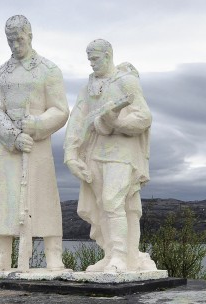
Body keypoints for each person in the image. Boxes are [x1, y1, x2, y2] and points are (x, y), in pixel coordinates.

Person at [0, 15, 69, 272]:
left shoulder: (48, 70)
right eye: (10, 40)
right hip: (7, 146)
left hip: (38, 146)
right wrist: (14, 136)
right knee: (6, 199)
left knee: (45, 197)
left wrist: (38, 125)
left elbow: (60, 109)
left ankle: (54, 254)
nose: (15, 45)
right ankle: (2, 255)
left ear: (30, 36)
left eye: (19, 39)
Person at [63, 39, 157, 272]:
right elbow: (77, 121)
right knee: (100, 206)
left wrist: (117, 123)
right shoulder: (88, 87)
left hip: (121, 152)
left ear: (108, 55)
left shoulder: (126, 82)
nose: (92, 64)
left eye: (96, 58)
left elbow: (144, 116)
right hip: (94, 153)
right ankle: (110, 254)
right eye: (90, 60)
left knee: (112, 201)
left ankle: (121, 257)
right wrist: (71, 154)